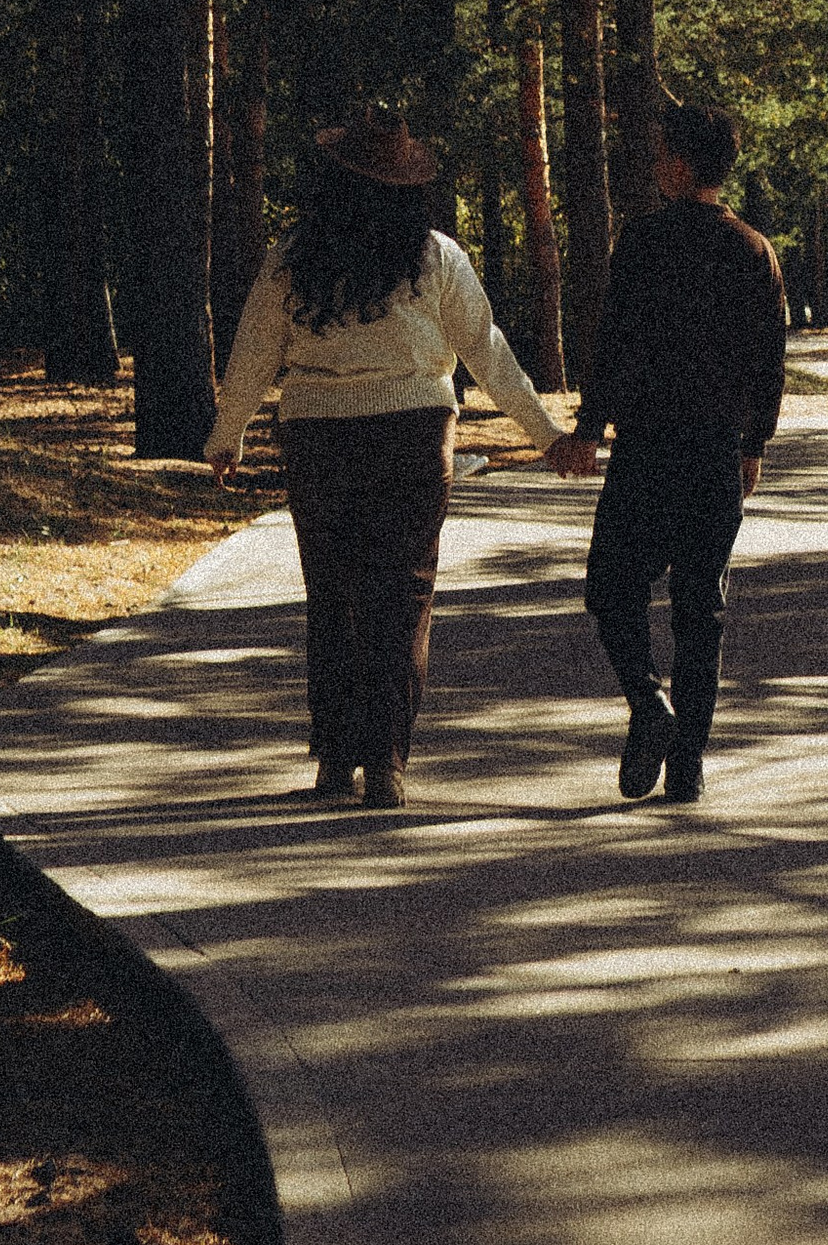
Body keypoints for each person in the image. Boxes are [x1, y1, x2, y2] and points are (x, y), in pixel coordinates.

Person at [206, 109, 562, 807]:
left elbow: (254, 352)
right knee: (402, 597)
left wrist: (229, 434)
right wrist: (544, 434)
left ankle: (336, 758)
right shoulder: (435, 256)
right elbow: (486, 350)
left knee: (333, 596)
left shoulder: (293, 257)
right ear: (408, 186)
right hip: (413, 434)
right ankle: (387, 762)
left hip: (318, 436)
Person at [547, 94, 788, 806]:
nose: (653, 167)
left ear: (681, 166)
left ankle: (649, 706)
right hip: (715, 452)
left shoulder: (642, 243)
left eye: (658, 156)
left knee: (611, 587)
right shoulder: (753, 250)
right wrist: (756, 442)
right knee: (700, 609)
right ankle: (687, 766)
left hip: (648, 450)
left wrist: (592, 426)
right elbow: (767, 360)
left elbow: (614, 345)